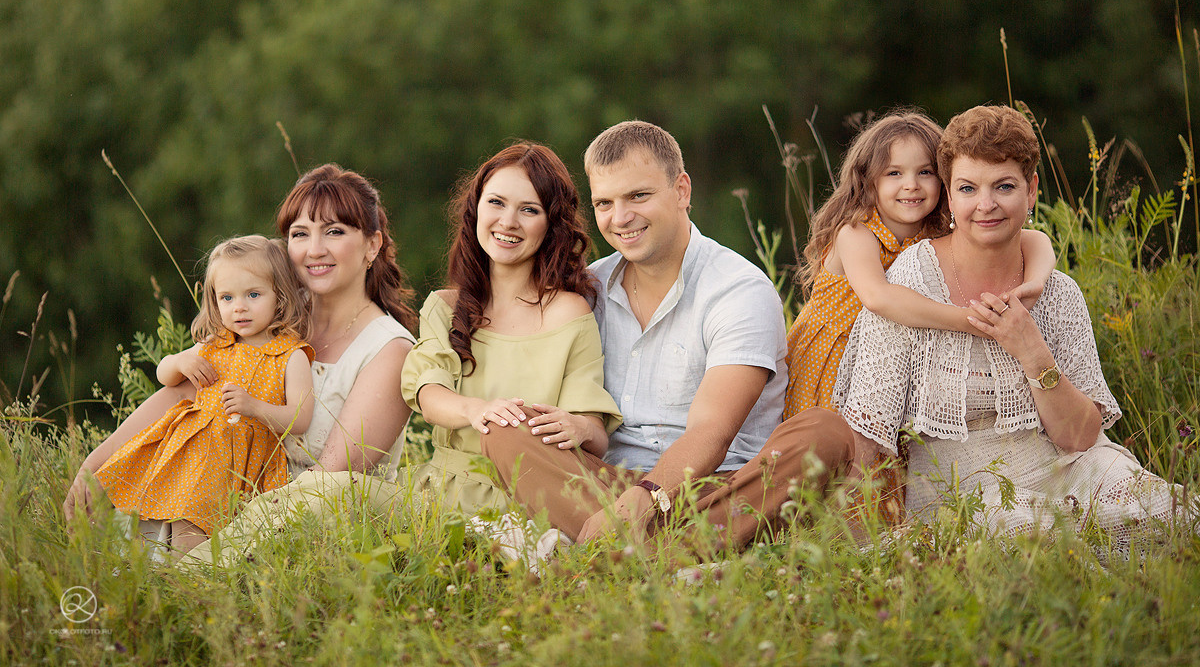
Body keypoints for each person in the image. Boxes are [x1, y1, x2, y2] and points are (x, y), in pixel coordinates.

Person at [482, 121, 855, 551]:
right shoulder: (588, 289)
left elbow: (712, 431)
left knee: (824, 434)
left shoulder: (738, 289)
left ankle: (611, 551)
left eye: (638, 196)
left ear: (681, 190)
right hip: (606, 485)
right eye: (605, 202)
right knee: (506, 430)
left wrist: (640, 503)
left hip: (721, 488)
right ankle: (676, 553)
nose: (620, 218)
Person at [837, 105, 1188, 552]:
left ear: (1032, 190)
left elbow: (1080, 438)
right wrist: (860, 546)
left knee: (1166, 512)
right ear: (949, 194)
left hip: (1063, 467)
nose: (986, 205)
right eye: (968, 188)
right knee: (1027, 535)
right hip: (961, 489)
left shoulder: (1057, 293)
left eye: (1004, 186)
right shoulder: (912, 283)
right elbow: (870, 433)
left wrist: (1033, 352)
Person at [65, 165, 419, 550]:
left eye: (334, 231)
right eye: (300, 234)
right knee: (110, 546)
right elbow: (183, 398)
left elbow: (325, 483)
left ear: (372, 245)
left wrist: (215, 540)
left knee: (179, 566)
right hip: (224, 500)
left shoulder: (388, 350)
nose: (314, 249)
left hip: (309, 526)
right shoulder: (262, 319)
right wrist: (93, 467)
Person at [785, 111, 1055, 521]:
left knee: (889, 464)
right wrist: (970, 320)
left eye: (924, 172)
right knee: (832, 457)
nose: (910, 185)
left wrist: (1034, 284)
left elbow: (1035, 240)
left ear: (944, 186)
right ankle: (808, 526)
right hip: (833, 358)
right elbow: (878, 297)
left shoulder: (935, 237)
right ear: (868, 180)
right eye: (893, 172)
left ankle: (876, 525)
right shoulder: (856, 232)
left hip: (892, 365)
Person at [399, 141, 622, 513]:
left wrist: (579, 427)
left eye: (529, 210)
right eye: (496, 203)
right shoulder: (445, 307)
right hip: (440, 491)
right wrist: (477, 411)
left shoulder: (569, 312)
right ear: (476, 209)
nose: (508, 222)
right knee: (328, 493)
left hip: (529, 496)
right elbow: (428, 393)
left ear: (551, 225)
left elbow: (595, 433)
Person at [88, 235, 314, 555]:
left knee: (192, 536)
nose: (239, 307)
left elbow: (301, 418)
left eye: (253, 294)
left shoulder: (290, 355)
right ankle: (145, 584)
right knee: (148, 522)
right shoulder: (214, 344)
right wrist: (179, 361)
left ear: (280, 296)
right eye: (226, 297)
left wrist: (254, 407)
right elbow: (165, 376)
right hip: (184, 456)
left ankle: (186, 587)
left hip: (237, 464)